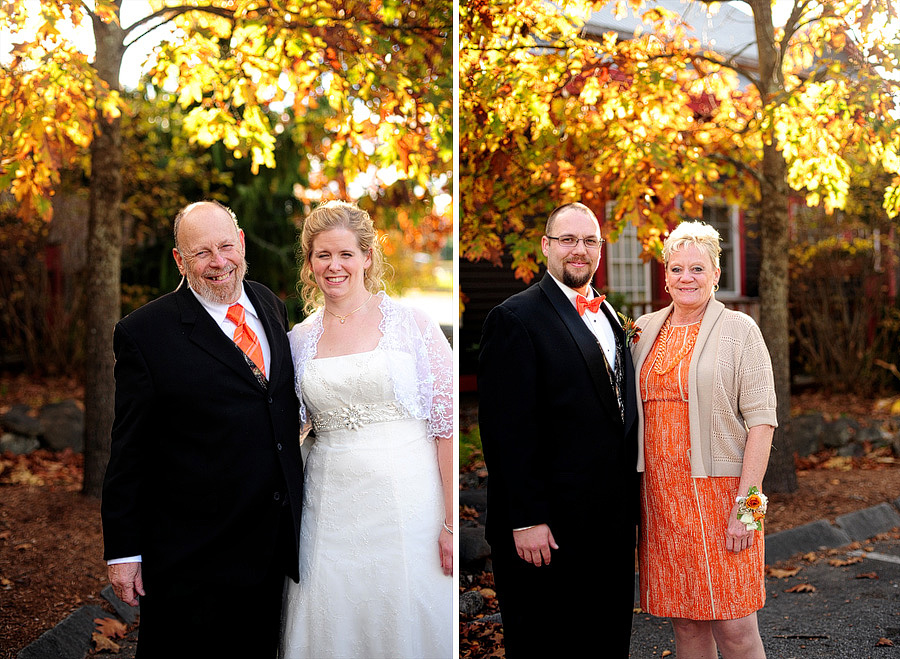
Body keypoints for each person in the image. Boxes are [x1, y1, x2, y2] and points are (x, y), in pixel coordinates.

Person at [101, 200, 304, 657]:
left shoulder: (271, 305)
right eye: (202, 253)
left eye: (226, 246)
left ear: (242, 244)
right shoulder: (144, 333)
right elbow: (128, 451)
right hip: (191, 557)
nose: (219, 262)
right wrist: (123, 553)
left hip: (271, 546)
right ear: (179, 259)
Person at [280, 200, 453, 659]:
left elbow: (446, 426)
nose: (334, 266)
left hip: (409, 504)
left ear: (368, 257)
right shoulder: (297, 341)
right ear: (310, 263)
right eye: (322, 256)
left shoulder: (413, 324)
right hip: (329, 505)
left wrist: (450, 524)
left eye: (345, 254)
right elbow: (286, 428)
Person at [478, 202, 639, 657]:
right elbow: (505, 431)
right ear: (546, 246)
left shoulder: (611, 318)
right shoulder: (515, 319)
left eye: (589, 241)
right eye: (568, 240)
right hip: (546, 531)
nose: (579, 250)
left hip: (608, 528)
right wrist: (525, 517)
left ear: (600, 249)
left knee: (606, 644)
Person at [632, 221, 777, 658]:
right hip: (661, 501)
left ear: (716, 273)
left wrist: (748, 510)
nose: (686, 278)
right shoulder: (642, 329)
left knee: (736, 628)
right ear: (665, 274)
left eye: (698, 268)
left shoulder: (740, 330)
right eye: (677, 269)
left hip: (723, 501)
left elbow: (763, 423)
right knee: (687, 626)